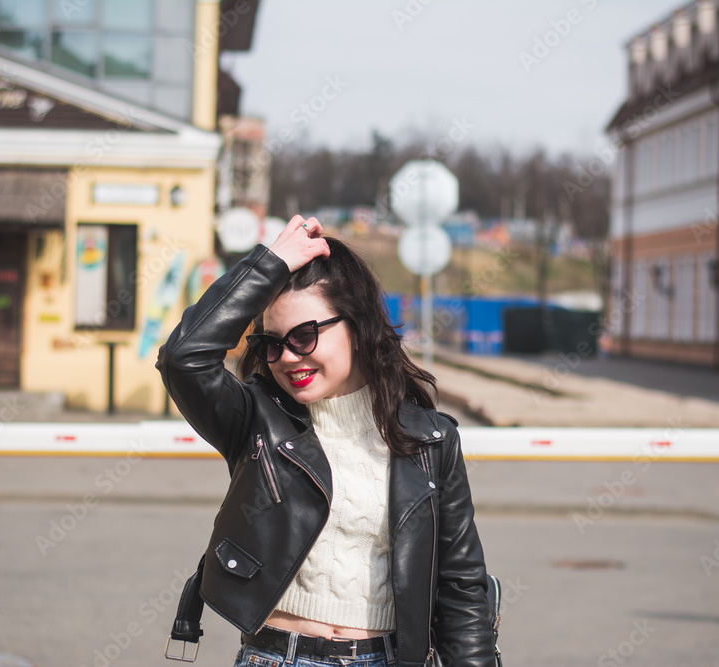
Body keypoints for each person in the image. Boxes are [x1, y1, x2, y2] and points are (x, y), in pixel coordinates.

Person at [157, 215, 494, 667]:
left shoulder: (431, 440)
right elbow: (183, 358)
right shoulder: (257, 420)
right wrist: (270, 265)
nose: (287, 357)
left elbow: (462, 587)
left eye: (304, 335)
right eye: (272, 343)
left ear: (355, 325)